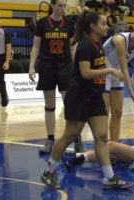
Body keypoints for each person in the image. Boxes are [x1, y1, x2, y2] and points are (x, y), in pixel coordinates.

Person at [41, 11, 134, 190]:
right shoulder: (84, 44)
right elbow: (85, 73)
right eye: (103, 23)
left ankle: (109, 178)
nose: (107, 27)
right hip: (79, 96)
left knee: (101, 137)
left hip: (94, 96)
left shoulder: (98, 43)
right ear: (93, 26)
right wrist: (110, 71)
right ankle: (48, 172)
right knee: (69, 136)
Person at [28, 0, 84, 153]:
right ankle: (50, 140)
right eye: (59, 5)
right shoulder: (42, 23)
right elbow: (35, 47)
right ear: (52, 5)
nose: (62, 9)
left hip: (65, 65)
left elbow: (73, 48)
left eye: (64, 6)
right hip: (47, 65)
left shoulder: (69, 24)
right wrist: (31, 66)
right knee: (49, 104)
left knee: (70, 102)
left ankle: (77, 138)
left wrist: (77, 68)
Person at [103, 15, 134, 142]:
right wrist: (132, 96)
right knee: (104, 113)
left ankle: (113, 146)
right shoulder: (120, 40)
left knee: (118, 113)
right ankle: (102, 144)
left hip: (117, 73)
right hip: (103, 70)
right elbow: (125, 70)